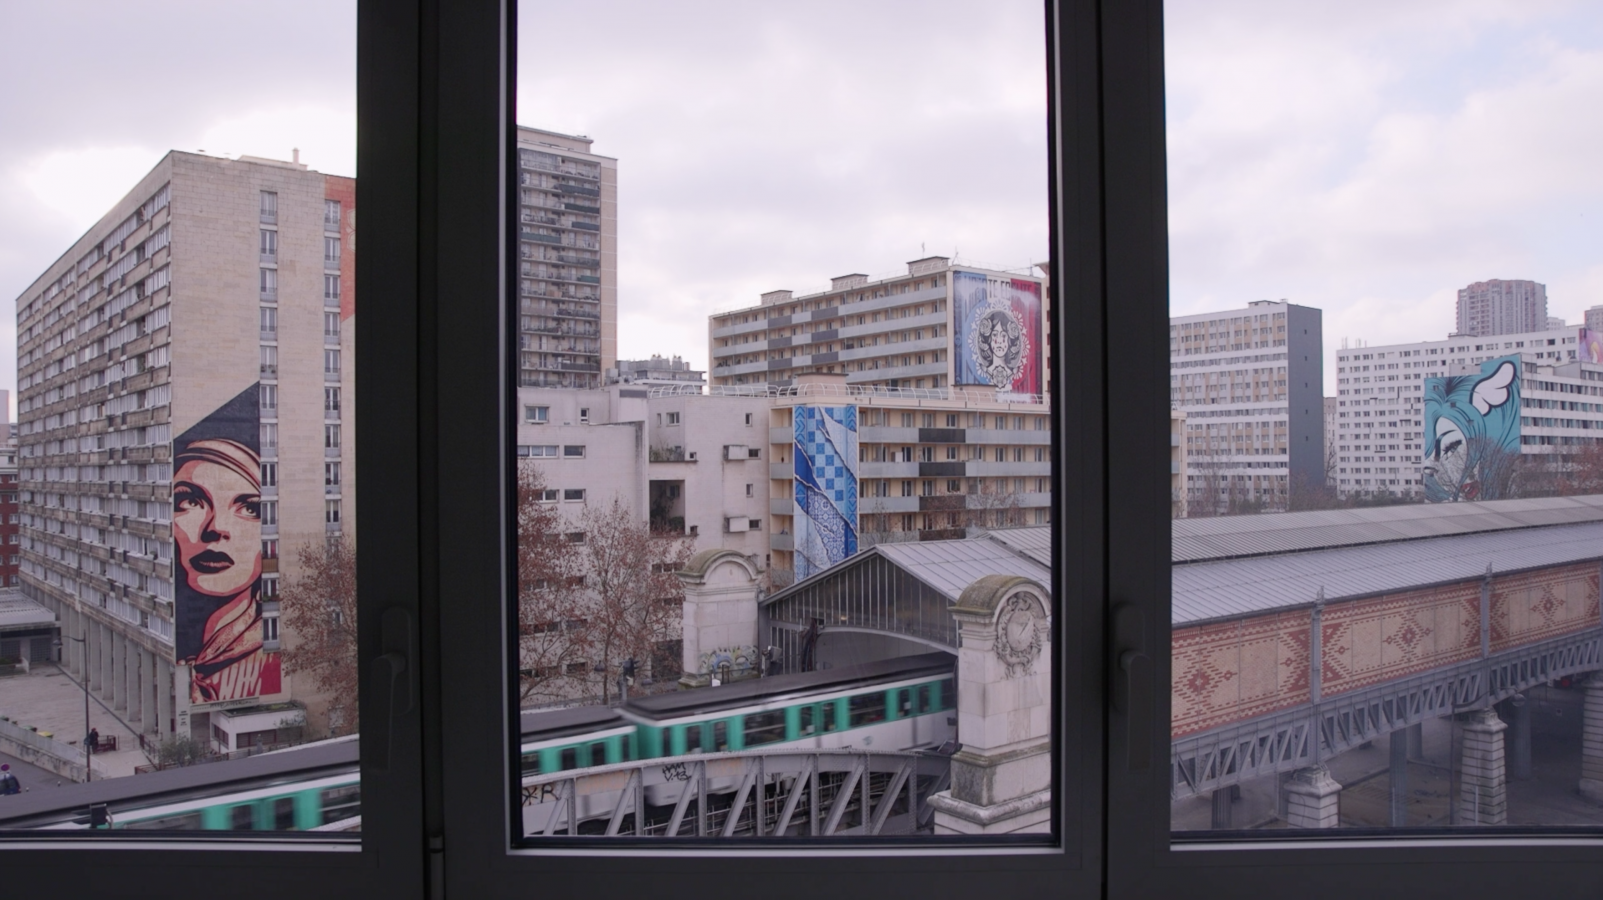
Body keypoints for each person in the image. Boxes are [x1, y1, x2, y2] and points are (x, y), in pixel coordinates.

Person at [173, 438, 279, 703]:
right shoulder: (185, 641)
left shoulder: (267, 644)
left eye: (250, 508)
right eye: (190, 502)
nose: (215, 528)